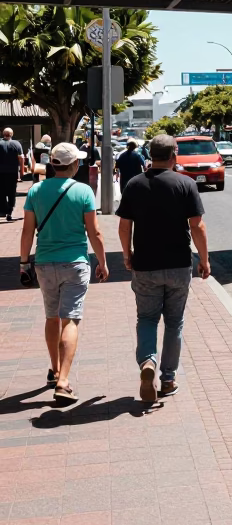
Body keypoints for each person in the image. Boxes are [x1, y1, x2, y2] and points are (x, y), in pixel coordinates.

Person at [116, 133, 210, 404]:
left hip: (145, 264)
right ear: (174, 154)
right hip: (179, 264)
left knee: (146, 319)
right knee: (174, 322)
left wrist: (126, 255)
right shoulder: (185, 184)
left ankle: (148, 362)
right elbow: (197, 226)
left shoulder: (134, 184)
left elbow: (124, 226)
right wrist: (204, 260)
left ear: (150, 155)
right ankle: (168, 379)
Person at [20, 142, 109, 404]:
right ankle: (63, 381)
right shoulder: (83, 191)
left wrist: (24, 262)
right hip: (75, 263)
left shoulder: (35, 191)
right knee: (70, 319)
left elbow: (27, 231)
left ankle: (55, 368)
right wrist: (102, 262)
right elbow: (94, 232)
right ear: (74, 165)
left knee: (51, 317)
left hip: (45, 262)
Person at [0, 127, 25, 221]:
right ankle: (9, 212)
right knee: (11, 192)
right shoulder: (16, 144)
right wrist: (22, 172)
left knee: (1, 191)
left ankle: (3, 209)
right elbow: (21, 158)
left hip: (1, 172)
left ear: (3, 134)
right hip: (12, 172)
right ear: (12, 134)